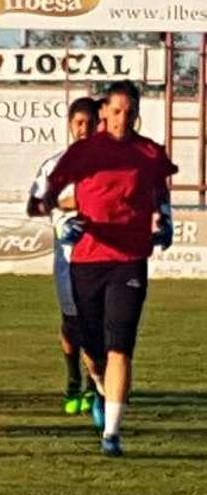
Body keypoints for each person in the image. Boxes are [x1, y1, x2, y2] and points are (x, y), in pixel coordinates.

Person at [37, 81, 177, 456]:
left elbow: (160, 194)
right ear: (104, 113)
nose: (122, 119)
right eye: (116, 112)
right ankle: (98, 384)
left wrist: (165, 219)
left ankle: (112, 432)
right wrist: (60, 216)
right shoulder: (84, 153)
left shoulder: (148, 153)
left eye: (130, 112)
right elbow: (46, 198)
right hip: (87, 260)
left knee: (121, 346)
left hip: (129, 260)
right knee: (94, 350)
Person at [26, 97, 100, 415]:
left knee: (97, 323)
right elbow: (33, 206)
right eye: (78, 122)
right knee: (72, 323)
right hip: (67, 256)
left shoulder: (109, 164)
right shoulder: (54, 165)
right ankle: (73, 376)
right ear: (70, 124)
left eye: (89, 122)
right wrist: (61, 203)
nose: (83, 129)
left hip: (101, 254)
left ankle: (93, 386)